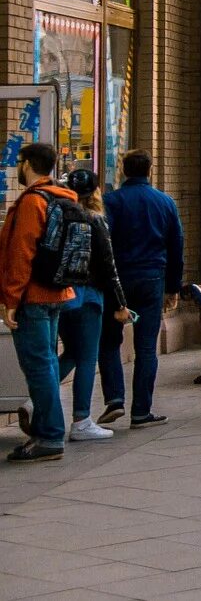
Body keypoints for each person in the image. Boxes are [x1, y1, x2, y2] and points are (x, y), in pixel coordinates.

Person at [1, 143, 79, 461]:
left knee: (40, 367)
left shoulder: (33, 201)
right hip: (57, 293)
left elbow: (22, 254)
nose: (17, 167)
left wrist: (11, 300)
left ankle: (49, 436)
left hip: (32, 296)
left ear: (30, 164)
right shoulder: (63, 197)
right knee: (46, 362)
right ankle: (45, 433)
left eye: (20, 162)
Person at [99, 149, 182, 429]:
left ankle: (114, 399)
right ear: (149, 170)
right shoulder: (164, 202)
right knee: (146, 347)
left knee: (109, 340)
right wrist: (173, 287)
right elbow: (176, 248)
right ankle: (141, 411)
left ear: (123, 170)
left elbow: (103, 242)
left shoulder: (111, 201)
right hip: (151, 278)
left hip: (118, 280)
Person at [55, 169, 125, 443]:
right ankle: (81, 420)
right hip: (89, 297)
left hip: (62, 296)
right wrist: (120, 303)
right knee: (86, 356)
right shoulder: (95, 220)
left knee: (69, 352)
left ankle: (35, 402)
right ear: (96, 192)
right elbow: (109, 267)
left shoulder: (59, 216)